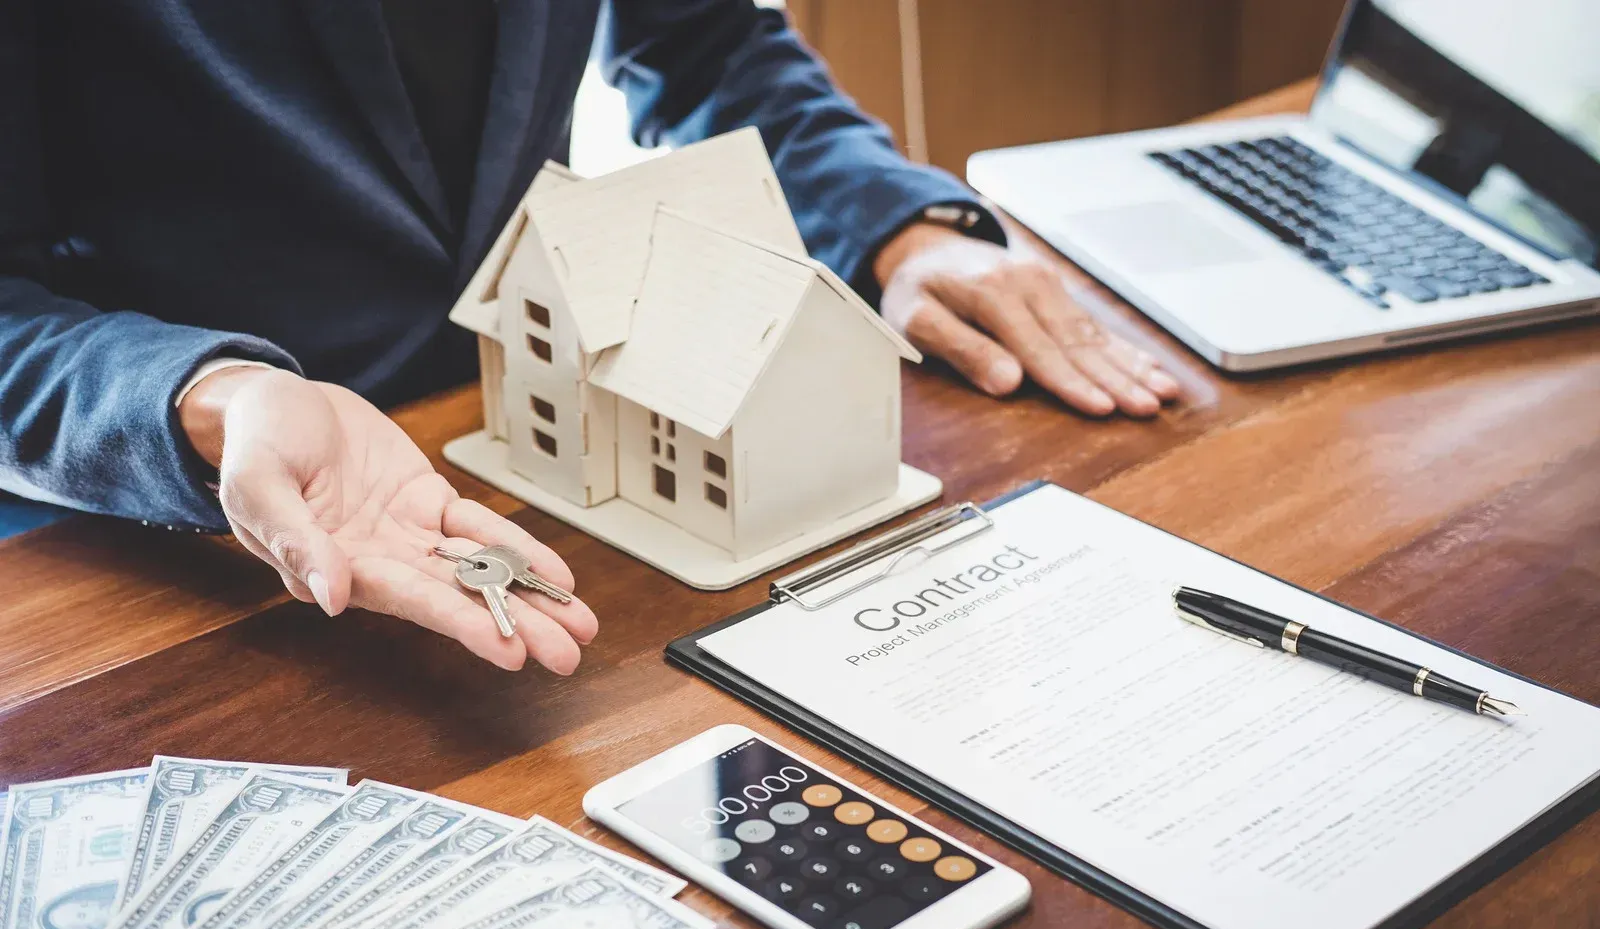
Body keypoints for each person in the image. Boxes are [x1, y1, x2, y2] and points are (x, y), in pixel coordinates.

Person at [0, 2, 1179, 674]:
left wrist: (896, 222)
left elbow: (702, 41)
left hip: (510, 452)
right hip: (146, 562)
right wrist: (207, 399)